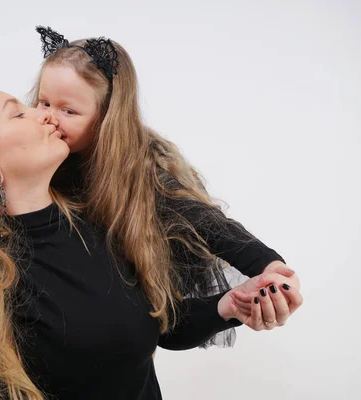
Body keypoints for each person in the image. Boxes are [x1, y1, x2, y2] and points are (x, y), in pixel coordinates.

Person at [0, 86, 300, 400]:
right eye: (18, 115)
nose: (44, 115)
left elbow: (147, 328)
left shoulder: (95, 217)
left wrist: (229, 305)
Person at [30, 26, 303, 342]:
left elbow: (208, 224)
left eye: (68, 110)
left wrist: (269, 266)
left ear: (107, 118)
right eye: (43, 102)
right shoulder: (31, 156)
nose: (48, 117)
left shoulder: (138, 171)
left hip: (112, 321)